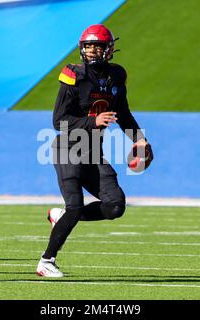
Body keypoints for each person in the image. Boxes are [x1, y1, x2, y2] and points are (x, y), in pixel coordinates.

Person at [37, 24, 153, 277]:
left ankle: (62, 216)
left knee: (115, 206)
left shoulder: (116, 76)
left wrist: (140, 140)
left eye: (97, 46)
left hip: (92, 151)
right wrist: (93, 122)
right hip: (68, 148)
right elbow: (58, 121)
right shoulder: (73, 75)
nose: (91, 51)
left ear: (109, 49)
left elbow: (122, 113)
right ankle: (46, 261)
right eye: (88, 46)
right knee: (75, 206)